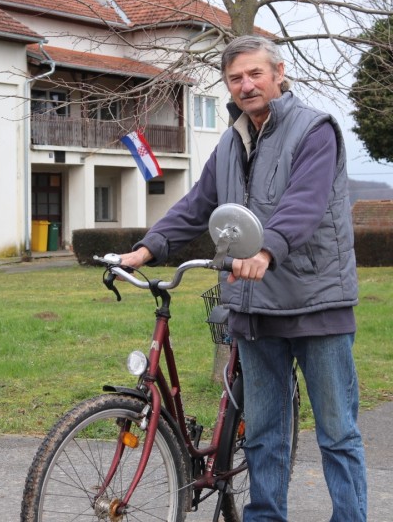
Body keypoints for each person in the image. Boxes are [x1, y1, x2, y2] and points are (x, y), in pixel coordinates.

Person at [119, 35, 367, 521]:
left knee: (337, 432)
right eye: (236, 78)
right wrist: (148, 247)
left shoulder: (315, 130)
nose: (246, 85)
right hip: (254, 307)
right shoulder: (232, 140)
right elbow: (197, 203)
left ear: (279, 73)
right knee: (263, 433)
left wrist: (268, 249)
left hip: (316, 304)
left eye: (255, 73)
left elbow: (305, 203)